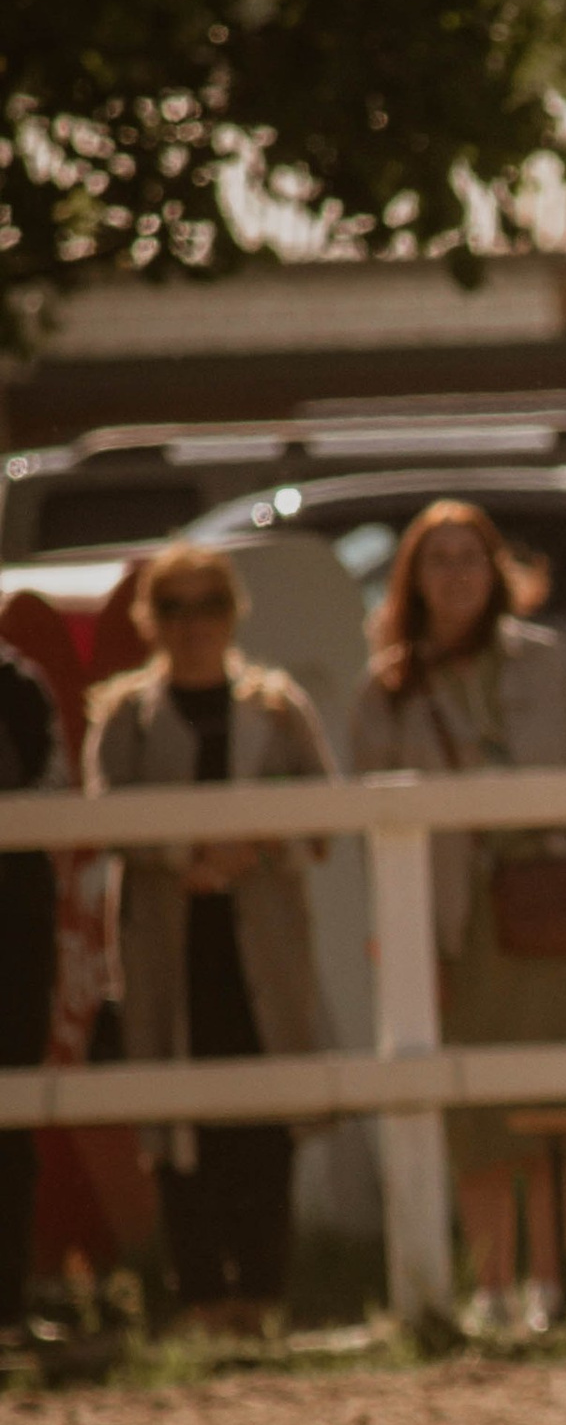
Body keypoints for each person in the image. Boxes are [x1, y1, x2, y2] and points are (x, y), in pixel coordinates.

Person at [350, 500, 566, 1330]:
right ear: (413, 579)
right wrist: (399, 936)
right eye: (438, 560)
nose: (455, 574)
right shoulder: (388, 689)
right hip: (454, 921)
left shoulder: (548, 661)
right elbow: (369, 835)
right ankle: (491, 1290)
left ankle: (551, 1288)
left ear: (496, 570)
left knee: (550, 1107)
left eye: (469, 557)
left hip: (549, 910)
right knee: (475, 1118)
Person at [85, 546, 333, 1334]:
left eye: (208, 605)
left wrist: (253, 848)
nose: (193, 625)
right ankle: (200, 1302)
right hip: (170, 945)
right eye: (174, 608)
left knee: (269, 1122)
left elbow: (326, 816)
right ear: (149, 621)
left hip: (261, 941)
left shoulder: (277, 705)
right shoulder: (124, 715)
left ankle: (261, 1299)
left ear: (233, 612)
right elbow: (101, 821)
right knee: (179, 1130)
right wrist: (178, 857)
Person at [0, 638, 66, 1329]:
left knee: (12, 1117)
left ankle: (8, 1303)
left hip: (14, 929)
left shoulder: (19, 686)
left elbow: (52, 792)